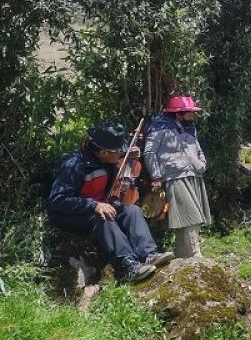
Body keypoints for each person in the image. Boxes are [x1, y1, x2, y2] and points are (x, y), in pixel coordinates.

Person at [48, 122, 174, 283]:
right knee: (104, 218)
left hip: (95, 207)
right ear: (104, 152)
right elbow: (57, 200)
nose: (122, 154)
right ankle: (128, 267)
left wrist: (108, 203)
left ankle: (149, 254)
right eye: (119, 151)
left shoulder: (108, 163)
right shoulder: (73, 164)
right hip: (69, 215)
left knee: (132, 211)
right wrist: (94, 205)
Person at [144, 96, 212, 258]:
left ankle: (183, 257)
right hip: (174, 178)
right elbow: (149, 152)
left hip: (194, 175)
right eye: (189, 113)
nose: (193, 116)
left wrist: (202, 164)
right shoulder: (159, 127)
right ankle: (196, 257)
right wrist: (156, 176)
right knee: (190, 216)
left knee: (188, 220)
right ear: (178, 114)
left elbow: (197, 148)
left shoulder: (190, 128)